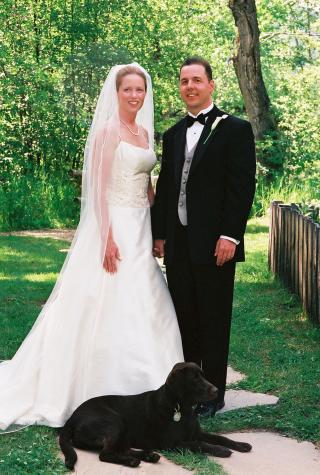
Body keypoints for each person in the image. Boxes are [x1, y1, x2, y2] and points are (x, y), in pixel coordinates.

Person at [0, 63, 183, 432]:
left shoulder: (144, 132)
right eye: (128, 89)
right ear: (116, 93)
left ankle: (155, 386)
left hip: (141, 224)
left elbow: (146, 183)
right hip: (113, 223)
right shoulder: (107, 132)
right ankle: (95, 383)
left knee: (146, 297)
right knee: (104, 298)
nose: (135, 95)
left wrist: (156, 217)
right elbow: (97, 190)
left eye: (140, 89)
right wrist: (107, 237)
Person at [151, 57, 256, 417]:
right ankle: (189, 390)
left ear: (211, 85)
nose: (190, 87)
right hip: (179, 244)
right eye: (184, 81)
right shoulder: (173, 133)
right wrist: (160, 234)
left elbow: (241, 188)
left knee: (213, 319)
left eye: (197, 80)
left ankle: (213, 395)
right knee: (184, 319)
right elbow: (166, 188)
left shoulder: (235, 129)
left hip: (215, 245)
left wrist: (230, 236)